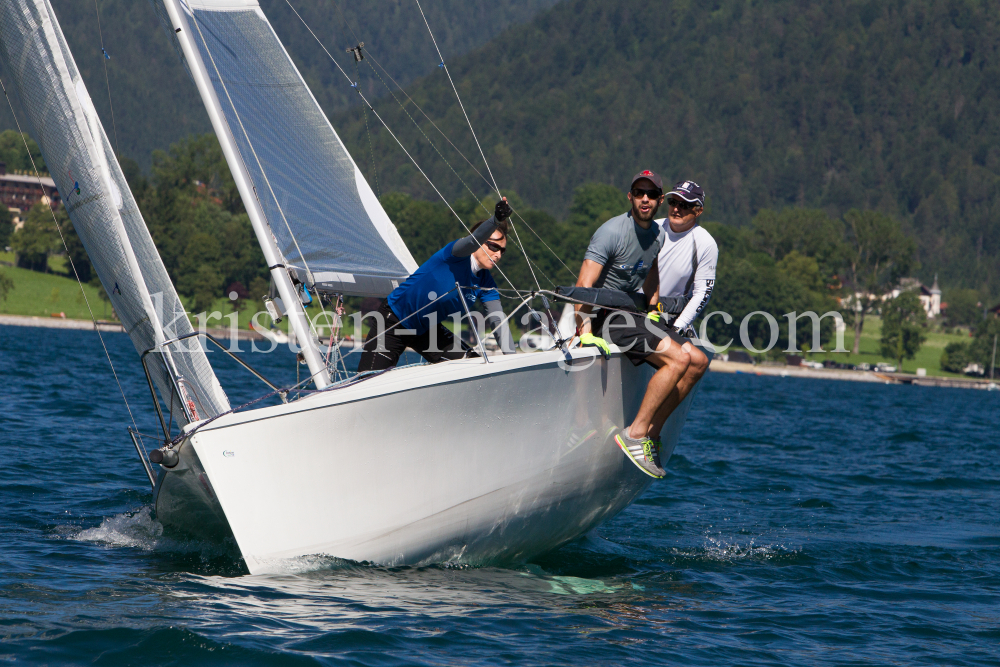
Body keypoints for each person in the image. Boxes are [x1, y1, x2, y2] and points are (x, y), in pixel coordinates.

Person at [572, 170, 689, 479]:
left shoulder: (658, 235)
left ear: (660, 200)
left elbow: (651, 270)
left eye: (651, 194)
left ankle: (652, 432)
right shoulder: (611, 232)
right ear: (630, 196)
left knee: (698, 361)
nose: (645, 199)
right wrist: (584, 333)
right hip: (603, 315)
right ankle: (635, 435)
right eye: (639, 193)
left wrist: (653, 307)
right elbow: (584, 285)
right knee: (679, 359)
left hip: (633, 314)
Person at [357, 199, 516, 371]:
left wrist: (516, 364)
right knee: (368, 380)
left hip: (427, 329)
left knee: (473, 366)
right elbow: (472, 241)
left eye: (502, 250)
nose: (498, 254)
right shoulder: (455, 254)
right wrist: (495, 220)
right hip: (395, 320)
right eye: (493, 246)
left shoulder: (486, 283)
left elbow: (498, 320)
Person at [644, 180, 717, 446]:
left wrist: (678, 328)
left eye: (684, 205)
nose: (676, 209)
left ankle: (653, 428)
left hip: (672, 317)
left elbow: (702, 293)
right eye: (673, 202)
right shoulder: (653, 228)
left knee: (696, 362)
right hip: (639, 309)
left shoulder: (705, 242)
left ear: (698, 210)